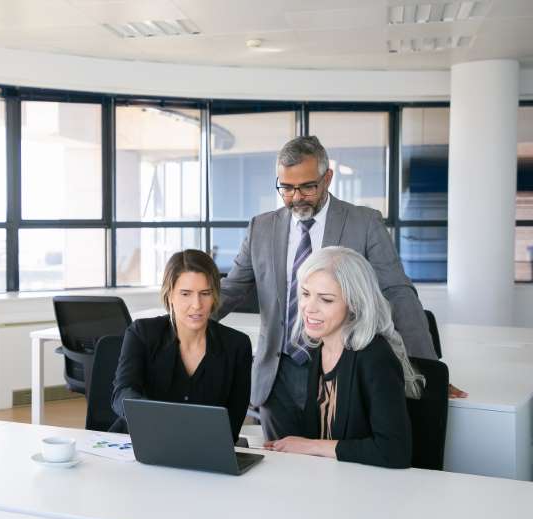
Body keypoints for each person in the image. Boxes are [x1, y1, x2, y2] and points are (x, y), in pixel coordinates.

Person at [217, 135, 465, 441]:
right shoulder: (261, 227)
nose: (296, 197)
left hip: (341, 368)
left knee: (338, 465)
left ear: (327, 178)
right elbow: (233, 288)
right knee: (282, 469)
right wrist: (185, 317)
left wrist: (427, 369)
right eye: (286, 188)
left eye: (307, 187)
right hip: (277, 376)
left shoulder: (364, 223)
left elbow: (397, 292)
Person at [265, 247, 419, 469]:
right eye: (306, 294)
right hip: (332, 478)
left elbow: (394, 451)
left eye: (326, 300)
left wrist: (311, 446)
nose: (309, 308)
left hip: (370, 488)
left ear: (354, 304)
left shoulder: (375, 358)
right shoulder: (320, 348)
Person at [111, 249, 252, 441]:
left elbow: (232, 424)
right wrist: (155, 418)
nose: (197, 304)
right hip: (139, 442)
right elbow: (122, 393)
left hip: (204, 450)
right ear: (170, 295)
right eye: (185, 294)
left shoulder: (237, 346)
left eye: (205, 293)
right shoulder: (142, 333)